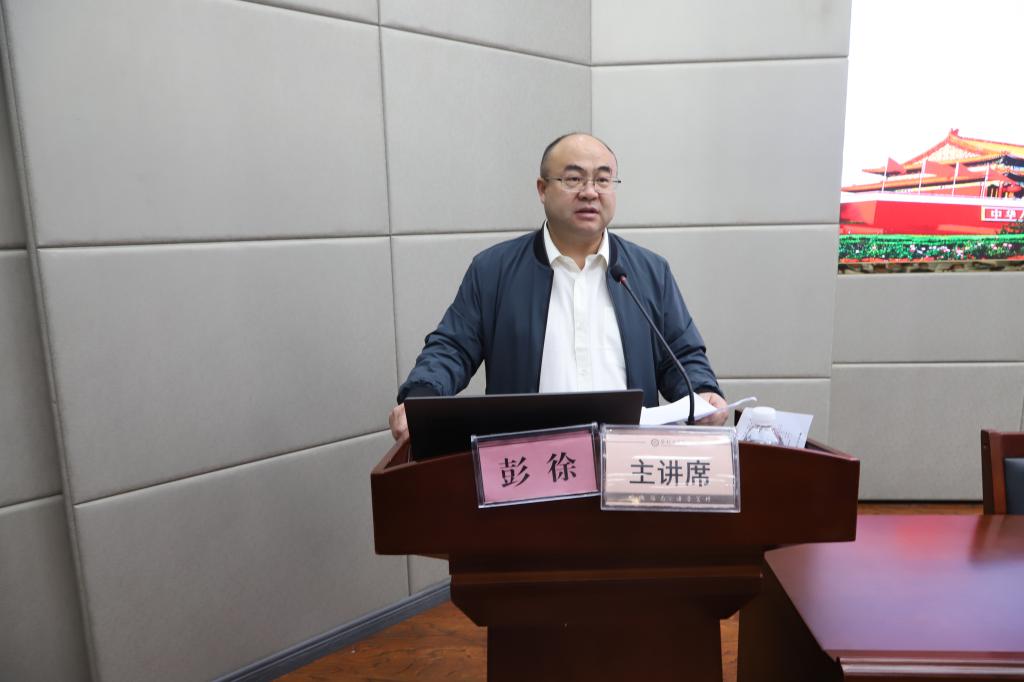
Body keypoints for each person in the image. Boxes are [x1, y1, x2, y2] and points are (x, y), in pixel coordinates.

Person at [388, 133, 726, 441]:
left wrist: (702, 392)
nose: (590, 192)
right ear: (542, 189)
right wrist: (422, 398)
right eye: (573, 179)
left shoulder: (648, 272)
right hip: (528, 464)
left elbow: (681, 355)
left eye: (603, 179)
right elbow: (452, 348)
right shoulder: (493, 270)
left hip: (628, 465)